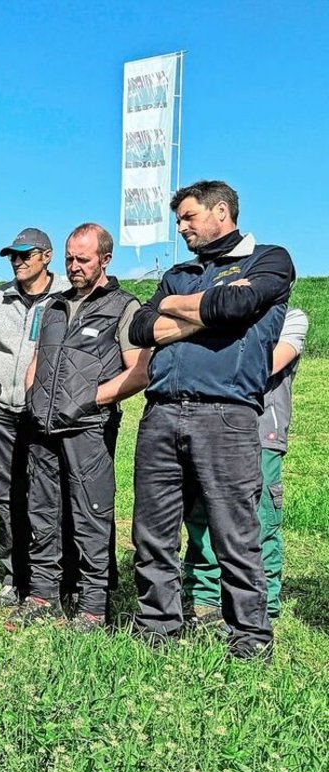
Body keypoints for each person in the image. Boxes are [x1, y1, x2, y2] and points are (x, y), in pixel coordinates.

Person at [128, 179, 295, 660]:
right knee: (152, 531)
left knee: (235, 532)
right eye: (178, 220)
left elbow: (238, 304)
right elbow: (141, 327)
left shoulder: (268, 259)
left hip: (226, 414)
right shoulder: (181, 272)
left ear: (221, 211)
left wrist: (172, 310)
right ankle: (157, 628)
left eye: (188, 217)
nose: (181, 228)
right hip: (160, 413)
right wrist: (204, 311)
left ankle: (248, 638)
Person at [7, 224, 148, 632]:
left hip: (89, 430)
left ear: (105, 259)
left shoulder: (123, 306)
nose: (73, 266)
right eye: (69, 258)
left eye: (82, 259)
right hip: (43, 429)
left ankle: (91, 607)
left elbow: (139, 372)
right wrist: (34, 396)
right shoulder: (52, 306)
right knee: (42, 513)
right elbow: (38, 357)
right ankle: (42, 595)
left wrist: (88, 401)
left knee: (91, 516)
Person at [181, 307, 308, 632]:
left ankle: (261, 606)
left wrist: (211, 361)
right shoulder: (223, 315)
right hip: (209, 428)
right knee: (202, 516)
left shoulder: (292, 318)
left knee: (259, 520)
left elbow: (266, 366)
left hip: (261, 432)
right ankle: (204, 599)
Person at [0, 229, 70, 607]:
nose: (17, 261)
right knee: (6, 494)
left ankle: (53, 577)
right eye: (12, 256)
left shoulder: (65, 295)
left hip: (47, 413)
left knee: (49, 495)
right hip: (0, 412)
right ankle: (13, 575)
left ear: (46, 256)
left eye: (24, 254)